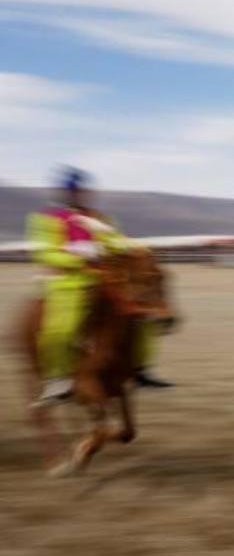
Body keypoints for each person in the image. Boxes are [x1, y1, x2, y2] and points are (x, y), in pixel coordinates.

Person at [26, 166, 173, 407]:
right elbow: (46, 253)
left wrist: (133, 248)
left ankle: (140, 371)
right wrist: (80, 257)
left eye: (81, 190)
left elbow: (116, 241)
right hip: (68, 284)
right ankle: (57, 380)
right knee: (60, 330)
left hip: (107, 281)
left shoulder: (101, 219)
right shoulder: (45, 219)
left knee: (142, 317)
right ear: (63, 192)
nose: (78, 194)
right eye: (73, 190)